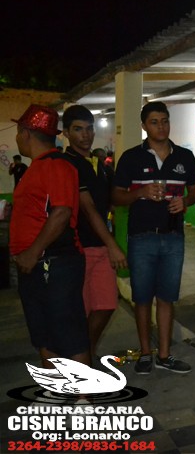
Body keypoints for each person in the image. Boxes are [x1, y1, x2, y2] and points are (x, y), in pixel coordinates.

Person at [112, 101, 195, 375]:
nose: (161, 126)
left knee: (166, 297)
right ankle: (145, 354)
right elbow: (116, 196)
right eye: (154, 122)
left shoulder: (184, 157)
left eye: (164, 121)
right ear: (144, 126)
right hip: (141, 238)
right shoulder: (131, 157)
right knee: (141, 298)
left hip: (174, 237)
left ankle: (164, 355)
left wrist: (185, 202)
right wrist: (140, 192)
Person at [9, 104, 89, 368]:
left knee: (70, 337)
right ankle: (54, 388)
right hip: (37, 266)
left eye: (18, 133)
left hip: (54, 264)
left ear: (25, 133)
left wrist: (32, 253)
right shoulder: (37, 167)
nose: (17, 138)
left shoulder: (56, 165)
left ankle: (81, 392)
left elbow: (62, 212)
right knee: (44, 336)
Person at [62, 105, 128, 359]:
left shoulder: (97, 164)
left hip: (99, 246)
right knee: (82, 310)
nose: (86, 135)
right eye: (78, 129)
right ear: (66, 133)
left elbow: (108, 203)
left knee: (107, 304)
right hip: (79, 249)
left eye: (89, 129)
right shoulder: (68, 164)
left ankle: (84, 354)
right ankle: (80, 362)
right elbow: (88, 209)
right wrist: (113, 245)